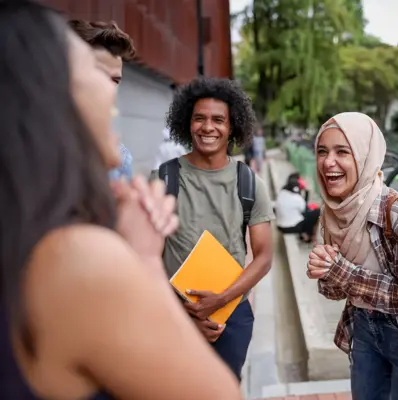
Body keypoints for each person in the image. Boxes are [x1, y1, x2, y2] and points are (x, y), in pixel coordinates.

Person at [0, 1, 241, 399]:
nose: (115, 92)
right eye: (95, 73)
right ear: (46, 97)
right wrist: (144, 262)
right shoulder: (73, 259)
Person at [306, 112, 398, 400]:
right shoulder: (332, 214)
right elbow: (332, 291)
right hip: (362, 326)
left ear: (365, 155)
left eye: (343, 151)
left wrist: (340, 271)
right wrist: (324, 270)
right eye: (322, 151)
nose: (329, 162)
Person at [151, 76, 274, 381]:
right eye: (199, 119)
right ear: (186, 123)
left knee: (224, 389)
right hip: (174, 314)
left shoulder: (249, 183)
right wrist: (186, 314)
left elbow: (264, 256)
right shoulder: (163, 179)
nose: (208, 127)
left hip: (231, 315)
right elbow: (149, 260)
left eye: (218, 120)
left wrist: (218, 301)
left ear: (232, 127)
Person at [69, 18, 135, 181]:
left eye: (115, 81)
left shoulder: (120, 158)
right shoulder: (26, 147)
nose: (109, 90)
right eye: (99, 75)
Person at [275, 173, 320, 243]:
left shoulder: (282, 193)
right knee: (317, 212)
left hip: (280, 226)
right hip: (292, 227)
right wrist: (307, 192)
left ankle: (305, 235)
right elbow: (304, 209)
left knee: (300, 215)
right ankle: (310, 237)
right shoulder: (297, 197)